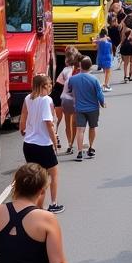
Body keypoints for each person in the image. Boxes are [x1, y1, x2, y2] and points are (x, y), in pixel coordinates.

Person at [19, 73, 63, 213]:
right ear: (44, 86)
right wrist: (55, 142)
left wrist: (22, 128)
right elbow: (48, 123)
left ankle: (34, 207)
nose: (51, 87)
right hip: (43, 144)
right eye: (49, 85)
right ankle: (54, 203)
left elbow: (24, 115)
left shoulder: (28, 98)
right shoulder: (46, 100)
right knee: (53, 175)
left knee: (35, 178)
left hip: (29, 144)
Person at [69, 56, 105, 161]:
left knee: (80, 130)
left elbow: (70, 90)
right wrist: (102, 103)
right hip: (93, 108)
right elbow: (99, 94)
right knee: (92, 128)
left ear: (80, 66)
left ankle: (79, 152)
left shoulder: (73, 79)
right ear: (90, 67)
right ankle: (91, 148)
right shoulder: (94, 79)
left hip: (79, 108)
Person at [56, 52, 80, 153]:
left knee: (67, 123)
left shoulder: (65, 71)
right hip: (77, 99)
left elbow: (59, 84)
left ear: (67, 61)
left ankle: (70, 143)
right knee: (75, 122)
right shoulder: (80, 71)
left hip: (66, 99)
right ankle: (74, 142)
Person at [120, 17, 132, 83]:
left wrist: (120, 46)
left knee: (126, 63)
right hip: (131, 48)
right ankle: (131, 75)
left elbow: (122, 40)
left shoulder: (124, 30)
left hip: (125, 47)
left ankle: (125, 76)